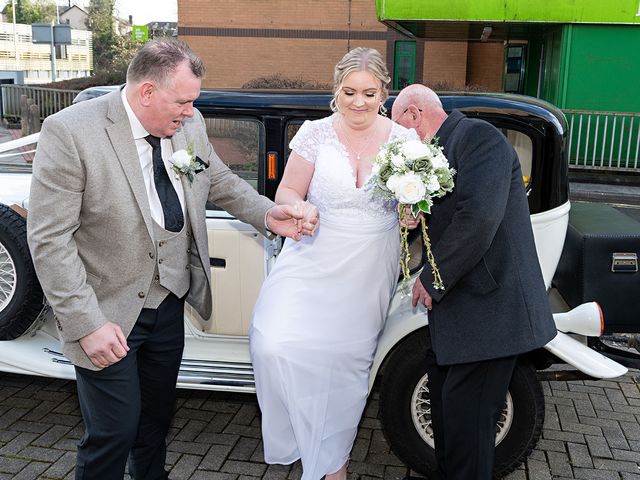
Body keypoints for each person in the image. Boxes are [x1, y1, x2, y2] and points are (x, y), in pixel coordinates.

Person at [26, 39, 311, 480]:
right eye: (182, 101)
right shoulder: (71, 132)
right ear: (145, 92)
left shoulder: (188, 126)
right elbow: (49, 239)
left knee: (154, 427)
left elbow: (219, 181)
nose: (190, 111)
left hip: (168, 305)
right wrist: (86, 324)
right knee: (113, 433)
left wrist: (270, 214)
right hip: (106, 313)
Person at [249, 47, 420, 480]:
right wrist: (298, 209)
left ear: (384, 92)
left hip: (369, 264)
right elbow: (286, 191)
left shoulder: (404, 142)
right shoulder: (314, 134)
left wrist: (412, 212)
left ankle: (332, 465)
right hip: (311, 251)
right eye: (349, 92)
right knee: (274, 344)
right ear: (336, 91)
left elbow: (412, 211)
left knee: (344, 365)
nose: (358, 102)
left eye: (368, 92)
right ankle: (307, 439)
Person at [391, 84, 557, 480]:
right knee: (450, 432)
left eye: (398, 129)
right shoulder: (434, 155)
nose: (397, 140)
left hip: (490, 316)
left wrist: (432, 280)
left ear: (414, 114)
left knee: (469, 441)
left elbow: (478, 218)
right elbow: (442, 225)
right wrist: (411, 221)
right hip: (459, 320)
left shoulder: (479, 138)